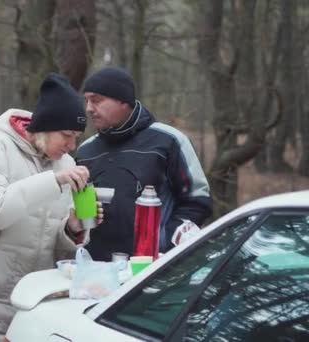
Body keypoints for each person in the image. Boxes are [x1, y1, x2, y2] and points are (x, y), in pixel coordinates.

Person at [0, 73, 102, 342]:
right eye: (67, 135)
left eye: (77, 137)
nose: (72, 145)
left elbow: (55, 246)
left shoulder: (66, 164)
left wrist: (73, 227)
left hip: (31, 301)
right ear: (46, 126)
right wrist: (53, 181)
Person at [77, 66, 212, 262]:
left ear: (123, 100)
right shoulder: (85, 151)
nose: (89, 108)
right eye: (87, 101)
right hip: (98, 271)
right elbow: (82, 213)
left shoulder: (168, 141)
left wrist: (166, 242)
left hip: (154, 267)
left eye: (96, 100)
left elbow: (197, 200)